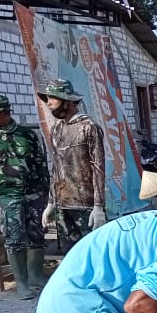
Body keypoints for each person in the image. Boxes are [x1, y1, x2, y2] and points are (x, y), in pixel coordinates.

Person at [0, 94, 50, 299]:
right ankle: (22, 283)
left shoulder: (28, 135)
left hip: (34, 193)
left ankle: (36, 277)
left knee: (37, 235)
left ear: (5, 112)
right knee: (14, 238)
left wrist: (48, 193)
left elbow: (41, 164)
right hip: (9, 195)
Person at [38, 79, 107, 252]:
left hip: (85, 205)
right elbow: (56, 167)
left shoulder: (89, 127)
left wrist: (98, 206)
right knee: (70, 255)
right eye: (47, 99)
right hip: (63, 205)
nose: (49, 103)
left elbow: (98, 168)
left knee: (91, 253)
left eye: (53, 98)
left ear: (67, 102)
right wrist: (51, 203)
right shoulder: (56, 129)